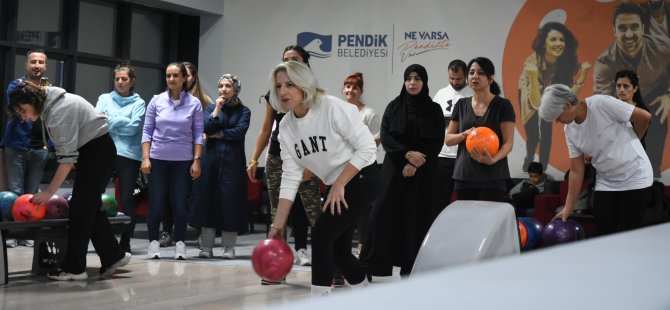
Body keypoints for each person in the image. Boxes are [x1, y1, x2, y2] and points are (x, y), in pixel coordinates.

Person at [267, 61, 379, 297]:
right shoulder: (286, 127)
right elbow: (290, 175)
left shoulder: (330, 108)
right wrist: (277, 226)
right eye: (278, 86)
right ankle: (370, 297)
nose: (283, 91)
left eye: (290, 84)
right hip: (337, 184)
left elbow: (368, 147)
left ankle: (318, 300)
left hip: (363, 175)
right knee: (339, 250)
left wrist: (340, 183)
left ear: (305, 85)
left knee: (321, 235)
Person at [8, 81, 131, 280]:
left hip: (96, 151)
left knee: (81, 209)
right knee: (87, 207)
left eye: (23, 111)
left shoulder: (58, 112)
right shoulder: (52, 103)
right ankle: (112, 256)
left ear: (33, 100)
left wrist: (48, 193)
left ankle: (75, 268)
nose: (24, 117)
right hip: (95, 150)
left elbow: (66, 160)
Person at [362, 64, 445, 277]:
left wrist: (416, 162)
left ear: (424, 82)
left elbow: (437, 141)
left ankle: (412, 267)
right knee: (381, 214)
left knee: (417, 217)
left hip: (424, 173)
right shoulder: (394, 106)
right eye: (409, 78)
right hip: (394, 170)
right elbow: (387, 136)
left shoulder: (434, 109)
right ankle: (373, 266)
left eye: (417, 78)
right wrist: (407, 156)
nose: (412, 82)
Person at [247, 45, 321, 282]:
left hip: (307, 157)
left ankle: (328, 266)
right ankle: (273, 270)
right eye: (285, 60)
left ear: (306, 63)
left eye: (295, 60)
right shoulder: (274, 93)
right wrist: (254, 158)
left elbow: (320, 131)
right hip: (279, 158)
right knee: (277, 215)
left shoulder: (314, 94)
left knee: (316, 216)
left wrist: (313, 163)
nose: (289, 63)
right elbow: (266, 128)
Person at [539, 84, 653, 236]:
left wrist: (634, 141)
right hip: (606, 181)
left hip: (635, 176)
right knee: (603, 235)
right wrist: (568, 208)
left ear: (567, 105)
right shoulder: (570, 130)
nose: (558, 122)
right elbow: (576, 170)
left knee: (627, 236)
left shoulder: (601, 104)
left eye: (558, 117)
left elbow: (644, 117)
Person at [594, 2, 670, 178]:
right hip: (621, 108)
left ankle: (653, 176)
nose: (629, 34)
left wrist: (668, 95)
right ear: (614, 30)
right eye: (622, 28)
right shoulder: (604, 62)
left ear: (643, 27)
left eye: (634, 27)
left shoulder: (665, 47)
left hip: (654, 100)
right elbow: (603, 103)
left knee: (657, 115)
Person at [142, 62, 204, 260]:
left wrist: (197, 160)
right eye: (168, 76)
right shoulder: (156, 101)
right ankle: (153, 243)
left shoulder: (194, 103)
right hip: (158, 159)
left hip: (183, 161)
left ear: (184, 78)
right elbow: (147, 131)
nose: (171, 79)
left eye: (176, 75)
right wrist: (145, 157)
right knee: (156, 202)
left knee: (179, 203)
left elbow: (198, 134)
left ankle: (180, 244)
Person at [190, 74, 250, 259]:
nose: (224, 89)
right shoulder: (210, 108)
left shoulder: (244, 111)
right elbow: (207, 128)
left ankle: (228, 248)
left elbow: (239, 132)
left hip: (233, 163)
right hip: (210, 162)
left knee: (230, 203)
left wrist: (221, 134)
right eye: (221, 86)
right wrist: (217, 109)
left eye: (228, 86)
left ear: (235, 89)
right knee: (207, 201)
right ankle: (206, 248)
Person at [519, 22, 591, 172]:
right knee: (533, 135)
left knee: (547, 130)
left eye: (562, 40)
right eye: (553, 39)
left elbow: (568, 99)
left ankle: (543, 169)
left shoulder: (565, 62)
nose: (558, 43)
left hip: (549, 96)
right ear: (544, 42)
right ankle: (529, 158)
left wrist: (582, 77)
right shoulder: (532, 62)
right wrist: (532, 78)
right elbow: (538, 105)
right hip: (531, 94)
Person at [445, 57, 515, 202]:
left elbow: (508, 143)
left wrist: (492, 160)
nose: (475, 76)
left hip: (493, 176)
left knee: (489, 223)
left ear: (491, 79)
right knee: (467, 222)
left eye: (481, 73)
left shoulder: (503, 105)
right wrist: (464, 135)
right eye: (471, 73)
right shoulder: (461, 104)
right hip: (464, 176)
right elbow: (448, 140)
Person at [1, 49, 52, 248]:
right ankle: (13, 233)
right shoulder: (15, 86)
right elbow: (15, 107)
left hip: (40, 148)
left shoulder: (49, 89)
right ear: (26, 65)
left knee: (32, 193)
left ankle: (28, 233)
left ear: (45, 66)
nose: (37, 65)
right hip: (16, 145)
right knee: (15, 191)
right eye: (33, 62)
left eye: (40, 62)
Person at [158, 61, 212, 248]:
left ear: (192, 78)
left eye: (187, 75)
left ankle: (198, 231)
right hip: (173, 153)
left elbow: (209, 127)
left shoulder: (203, 101)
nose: (183, 78)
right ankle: (167, 230)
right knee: (168, 193)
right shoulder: (165, 99)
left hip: (196, 153)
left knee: (195, 194)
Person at [95, 60, 146, 254]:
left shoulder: (139, 103)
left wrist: (111, 120)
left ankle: (125, 241)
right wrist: (121, 120)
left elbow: (134, 129)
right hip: (104, 151)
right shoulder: (104, 98)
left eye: (124, 79)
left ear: (132, 81)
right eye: (117, 79)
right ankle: (101, 237)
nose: (120, 82)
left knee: (127, 200)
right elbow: (98, 122)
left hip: (128, 155)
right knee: (96, 196)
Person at [341, 72, 381, 258]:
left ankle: (361, 247)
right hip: (341, 167)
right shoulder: (338, 111)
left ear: (361, 91)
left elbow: (377, 138)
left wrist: (360, 149)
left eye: (355, 87)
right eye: (348, 86)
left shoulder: (369, 113)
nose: (350, 90)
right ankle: (342, 249)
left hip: (364, 167)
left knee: (362, 211)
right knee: (343, 209)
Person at [433, 59, 473, 209]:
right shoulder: (441, 93)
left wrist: (451, 121)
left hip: (465, 154)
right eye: (451, 78)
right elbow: (433, 120)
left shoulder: (473, 93)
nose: (454, 82)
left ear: (466, 76)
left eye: (458, 79)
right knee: (439, 198)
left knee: (465, 199)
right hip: (443, 155)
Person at [615, 70, 650, 147]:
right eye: (618, 85)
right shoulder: (609, 107)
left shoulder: (642, 112)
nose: (621, 89)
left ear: (635, 89)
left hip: (632, 152)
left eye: (626, 86)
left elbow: (637, 139)